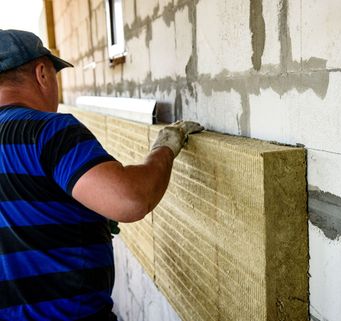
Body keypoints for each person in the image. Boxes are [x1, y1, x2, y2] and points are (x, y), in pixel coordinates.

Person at [0, 29, 203, 321]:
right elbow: (131, 199)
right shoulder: (47, 131)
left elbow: (21, 211)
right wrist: (165, 148)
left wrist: (76, 213)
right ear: (42, 73)